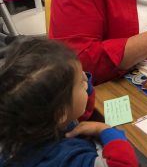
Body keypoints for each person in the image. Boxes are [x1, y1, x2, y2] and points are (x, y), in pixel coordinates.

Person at [0, 37, 137, 166]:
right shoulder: (69, 158)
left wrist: (79, 83)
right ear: (60, 114)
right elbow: (124, 163)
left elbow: (75, 106)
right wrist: (105, 130)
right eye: (80, 83)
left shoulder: (24, 126)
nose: (86, 82)